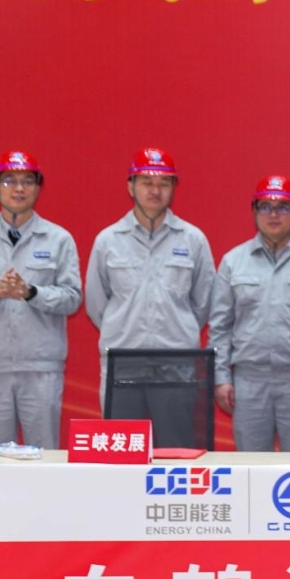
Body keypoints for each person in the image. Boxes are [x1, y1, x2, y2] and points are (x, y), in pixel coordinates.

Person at [0, 151, 81, 451]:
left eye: (27, 181)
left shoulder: (58, 239)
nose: (19, 189)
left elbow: (73, 298)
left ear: (38, 188)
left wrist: (31, 293)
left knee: (43, 457)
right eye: (9, 181)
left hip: (41, 367)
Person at [207, 176, 290, 452]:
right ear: (254, 211)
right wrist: (221, 378)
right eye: (265, 207)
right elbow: (220, 327)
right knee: (251, 468)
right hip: (248, 383)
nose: (273, 215)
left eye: (283, 207)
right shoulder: (233, 261)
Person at [84, 148, 214, 428]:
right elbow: (96, 304)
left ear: (173, 188)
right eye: (146, 182)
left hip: (176, 364)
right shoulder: (108, 240)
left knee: (176, 446)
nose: (155, 190)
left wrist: (175, 328)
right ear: (130, 186)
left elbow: (203, 303)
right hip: (123, 363)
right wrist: (125, 327)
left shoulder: (193, 240)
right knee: (122, 447)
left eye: (164, 183)